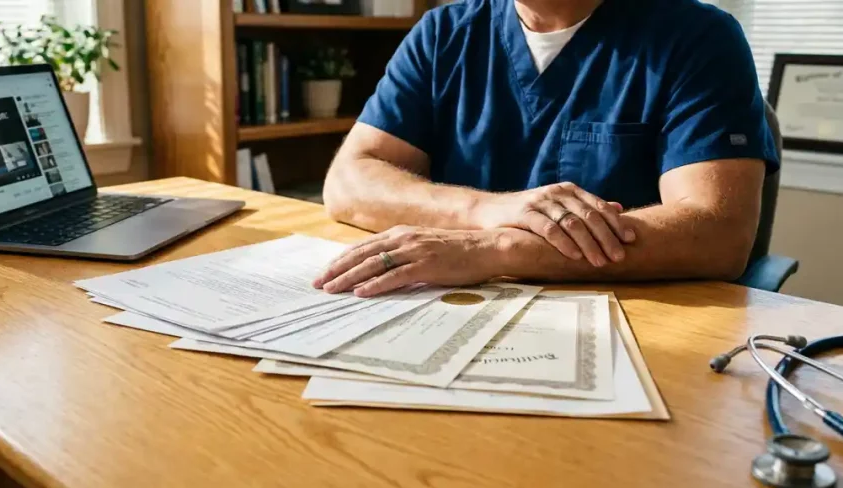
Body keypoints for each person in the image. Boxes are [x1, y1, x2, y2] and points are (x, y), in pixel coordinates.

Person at [314, 0, 779, 298]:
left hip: (634, 324)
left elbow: (718, 233)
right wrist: (484, 212)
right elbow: (349, 181)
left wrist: (495, 248)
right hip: (451, 305)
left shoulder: (698, 37)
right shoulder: (443, 34)